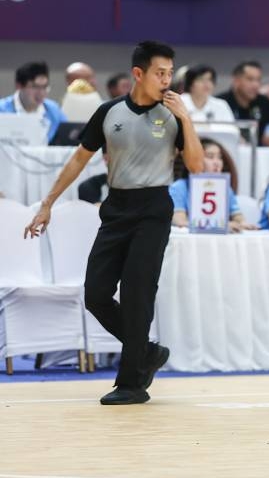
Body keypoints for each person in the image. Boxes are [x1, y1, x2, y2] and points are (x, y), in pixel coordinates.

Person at [23, 41, 203, 405]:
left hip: (153, 207)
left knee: (138, 294)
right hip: (116, 206)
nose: (167, 80)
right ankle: (147, 353)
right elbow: (78, 159)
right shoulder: (109, 112)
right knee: (96, 294)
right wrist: (48, 203)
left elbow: (197, 167)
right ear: (138, 74)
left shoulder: (173, 114)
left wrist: (186, 118)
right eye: (159, 73)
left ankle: (132, 383)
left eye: (170, 73)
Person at [169, 138, 256, 231]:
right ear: (195, 160)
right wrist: (218, 226)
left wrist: (243, 223)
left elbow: (237, 216)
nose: (217, 163)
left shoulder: (225, 187)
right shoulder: (178, 187)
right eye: (210, 157)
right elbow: (180, 222)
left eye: (219, 158)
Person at [0, 60, 65, 143]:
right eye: (35, 87)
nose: (41, 93)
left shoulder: (54, 110)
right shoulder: (2, 110)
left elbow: (66, 139)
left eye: (45, 87)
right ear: (19, 86)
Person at [217, 60, 269, 143]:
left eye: (258, 80)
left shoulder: (264, 102)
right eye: (250, 79)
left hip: (257, 153)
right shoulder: (220, 103)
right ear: (236, 80)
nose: (256, 85)